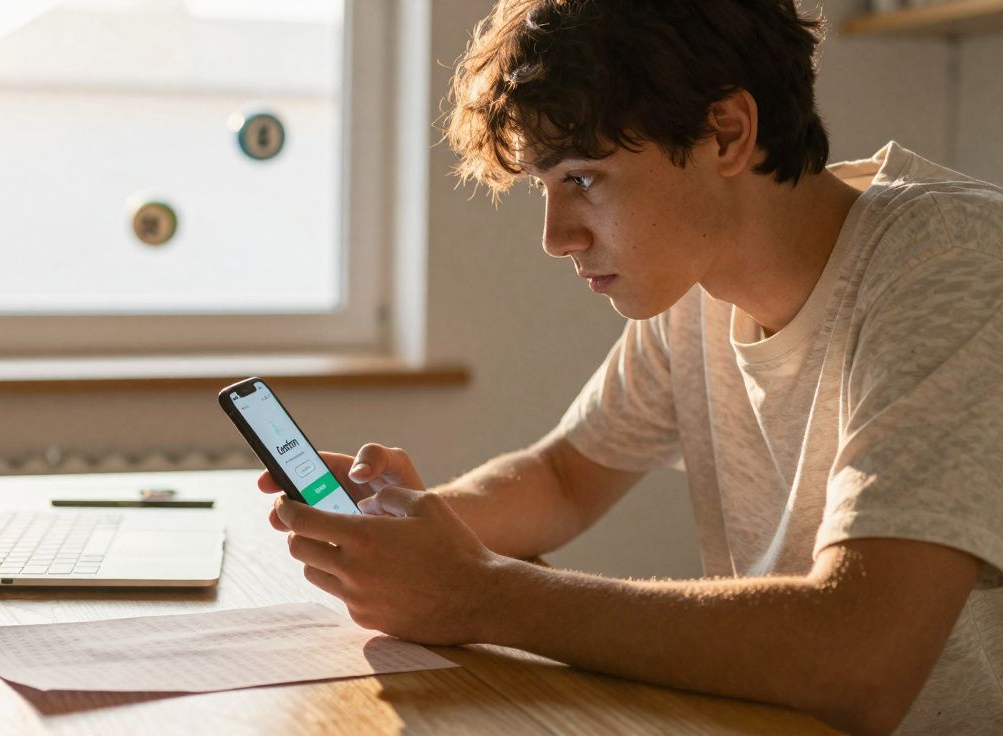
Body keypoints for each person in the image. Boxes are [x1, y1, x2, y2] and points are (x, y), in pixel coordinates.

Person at [256, 0, 1003, 733]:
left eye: (581, 178)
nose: (555, 238)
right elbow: (564, 479)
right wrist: (412, 532)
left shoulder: (953, 263)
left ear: (726, 133)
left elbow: (861, 656)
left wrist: (478, 593)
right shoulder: (698, 277)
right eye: (544, 190)